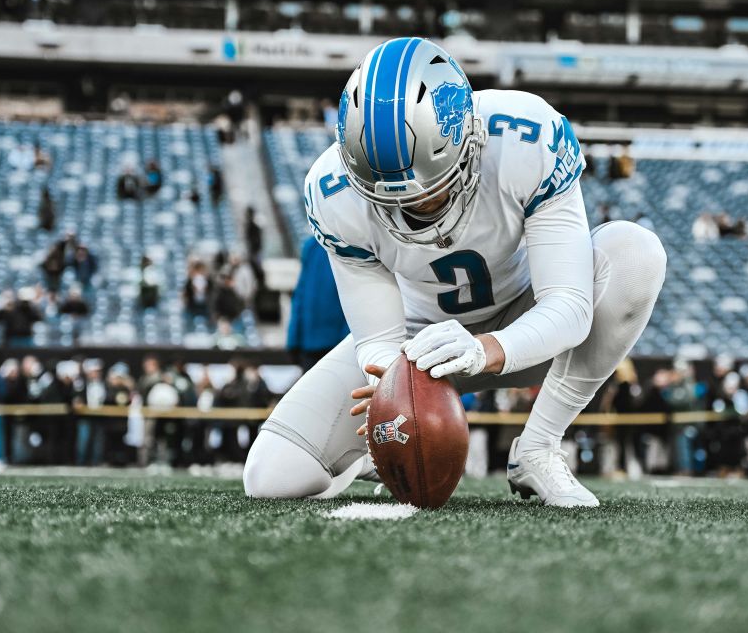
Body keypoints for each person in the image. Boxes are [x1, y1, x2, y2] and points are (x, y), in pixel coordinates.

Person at [243, 37, 666, 507]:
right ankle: (372, 459)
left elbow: (569, 306)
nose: (415, 207)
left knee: (635, 253)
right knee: (272, 476)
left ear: (468, 138)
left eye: (431, 191)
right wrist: (392, 397)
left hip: (528, 322)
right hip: (418, 344)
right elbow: (379, 339)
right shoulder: (332, 191)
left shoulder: (524, 133)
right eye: (393, 199)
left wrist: (485, 349)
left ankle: (539, 447)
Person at [287, 236, 351, 370]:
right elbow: (300, 294)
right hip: (309, 346)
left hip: (338, 346)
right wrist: (293, 340)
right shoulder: (311, 245)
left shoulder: (352, 242)